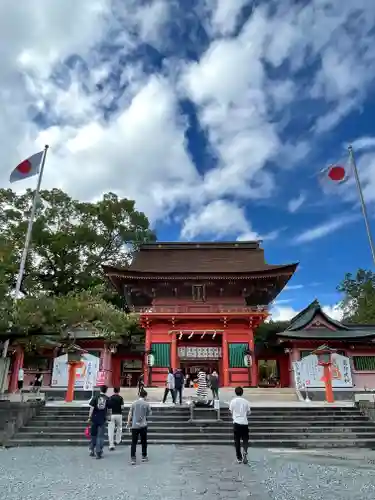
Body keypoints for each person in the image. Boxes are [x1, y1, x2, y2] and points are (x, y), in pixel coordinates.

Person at [127, 388, 152, 465]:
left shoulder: (134, 403)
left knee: (134, 442)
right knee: (144, 441)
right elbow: (149, 413)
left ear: (139, 395)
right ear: (145, 396)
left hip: (135, 425)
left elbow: (130, 413)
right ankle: (144, 456)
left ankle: (133, 458)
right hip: (143, 425)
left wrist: (128, 422)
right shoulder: (146, 404)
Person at [88, 385, 111, 459]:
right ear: (106, 390)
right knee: (100, 436)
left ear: (100, 389)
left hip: (94, 419)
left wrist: (89, 417)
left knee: (93, 435)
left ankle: (92, 450)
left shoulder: (95, 397)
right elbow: (109, 410)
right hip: (102, 419)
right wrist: (108, 417)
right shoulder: (107, 398)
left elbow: (91, 408)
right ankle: (99, 451)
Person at [229, 386, 250, 464]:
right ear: (242, 392)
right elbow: (248, 412)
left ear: (235, 392)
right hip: (244, 422)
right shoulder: (246, 401)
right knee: (245, 439)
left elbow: (231, 411)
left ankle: (239, 457)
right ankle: (245, 451)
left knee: (237, 440)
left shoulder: (233, 401)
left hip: (236, 423)